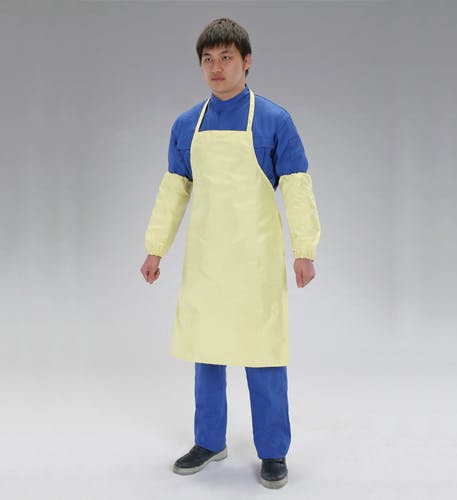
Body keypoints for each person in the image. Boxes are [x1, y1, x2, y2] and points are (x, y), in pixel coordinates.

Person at [140, 17, 321, 489]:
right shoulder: (187, 125)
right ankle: (208, 441)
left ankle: (274, 451)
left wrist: (304, 250)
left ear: (247, 61)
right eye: (208, 59)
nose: (216, 67)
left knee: (263, 356)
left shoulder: (274, 121)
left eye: (226, 57)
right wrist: (155, 248)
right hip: (206, 259)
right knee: (207, 351)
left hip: (256, 260)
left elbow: (297, 188)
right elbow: (174, 189)